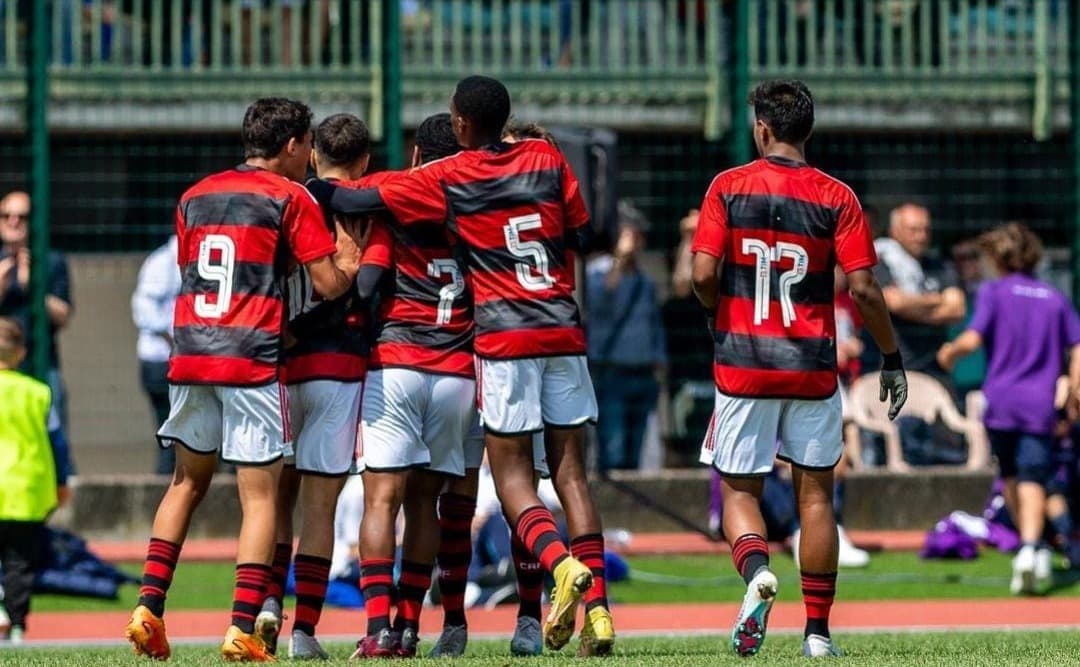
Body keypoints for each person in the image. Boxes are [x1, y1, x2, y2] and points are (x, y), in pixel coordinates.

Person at [307, 75, 615, 657]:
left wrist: (312, 187)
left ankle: (404, 628)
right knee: (549, 483)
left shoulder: (440, 181)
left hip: (467, 351)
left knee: (438, 498)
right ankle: (556, 614)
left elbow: (359, 235)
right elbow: (584, 232)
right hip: (525, 340)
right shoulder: (545, 157)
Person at [123, 97, 361, 662]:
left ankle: (148, 610)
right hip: (250, 358)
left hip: (191, 356)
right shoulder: (289, 197)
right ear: (291, 145)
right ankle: (242, 627)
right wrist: (349, 264)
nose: (309, 156)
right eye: (306, 146)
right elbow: (327, 285)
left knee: (185, 483)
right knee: (260, 499)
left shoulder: (194, 196)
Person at [691, 79, 907, 658]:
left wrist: (717, 316)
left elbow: (704, 274)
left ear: (761, 128)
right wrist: (891, 355)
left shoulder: (727, 187)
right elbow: (863, 289)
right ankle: (817, 634)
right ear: (807, 129)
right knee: (816, 500)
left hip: (743, 365)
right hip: (812, 367)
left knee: (739, 492)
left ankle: (759, 570)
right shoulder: (838, 196)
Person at [256, 112, 384, 660]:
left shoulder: (287, 200)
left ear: (312, 154)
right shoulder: (373, 214)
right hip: (339, 368)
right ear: (365, 161)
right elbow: (370, 286)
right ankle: (304, 632)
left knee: (272, 498)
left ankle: (264, 604)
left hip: (282, 365)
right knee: (320, 507)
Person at [430, 119, 559, 659]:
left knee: (503, 497)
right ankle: (467, 620)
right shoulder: (486, 192)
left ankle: (516, 618)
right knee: (478, 501)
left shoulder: (481, 194)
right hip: (483, 361)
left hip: (503, 359)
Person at [938, 222, 1080, 596]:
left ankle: (1029, 547)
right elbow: (1077, 345)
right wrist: (1074, 389)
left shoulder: (993, 293)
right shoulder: (1054, 297)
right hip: (1039, 403)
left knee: (1013, 474)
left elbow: (972, 337)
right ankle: (1033, 547)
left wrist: (951, 352)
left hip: (1000, 400)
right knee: (1035, 474)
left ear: (998, 259)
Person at [0, 317, 70, 646]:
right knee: (19, 561)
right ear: (21, 352)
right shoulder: (38, 393)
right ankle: (16, 625)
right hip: (26, 488)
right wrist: (61, 480)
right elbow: (57, 442)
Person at [586, 200, 668, 471]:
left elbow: (654, 324)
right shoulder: (598, 272)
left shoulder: (644, 281)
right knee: (613, 449)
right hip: (611, 374)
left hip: (643, 375)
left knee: (635, 452)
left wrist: (659, 362)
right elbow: (600, 302)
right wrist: (620, 258)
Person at [0, 190, 74, 436]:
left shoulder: (51, 261)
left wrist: (34, 288)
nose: (14, 222)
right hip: (2, 367)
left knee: (52, 434)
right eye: (6, 215)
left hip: (42, 364)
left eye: (22, 216)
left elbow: (63, 315)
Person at [873, 202, 965, 381]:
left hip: (937, 369)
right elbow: (894, 302)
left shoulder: (939, 265)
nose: (921, 237)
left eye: (925, 230)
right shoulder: (882, 264)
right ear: (894, 231)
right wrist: (937, 300)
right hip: (896, 368)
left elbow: (957, 308)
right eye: (913, 230)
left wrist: (909, 307)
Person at [131, 235, 181, 475]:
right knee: (170, 437)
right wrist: (173, 339)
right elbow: (144, 308)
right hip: (161, 361)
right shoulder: (164, 262)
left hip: (179, 359)